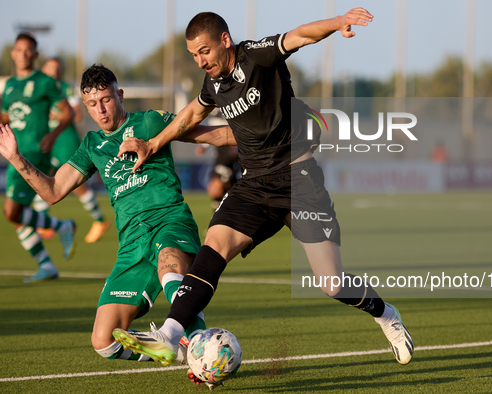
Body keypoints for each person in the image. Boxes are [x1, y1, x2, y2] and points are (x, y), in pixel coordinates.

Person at [113, 7, 414, 380]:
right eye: (193, 54)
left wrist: (337, 24)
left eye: (204, 50)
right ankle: (170, 335)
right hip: (253, 184)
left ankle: (386, 315)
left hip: (298, 181)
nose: (200, 60)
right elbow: (192, 113)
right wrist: (154, 142)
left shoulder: (258, 55)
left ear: (225, 40)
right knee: (214, 246)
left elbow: (300, 35)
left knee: (332, 284)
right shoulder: (214, 84)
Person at [0, 64, 234, 365]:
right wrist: (15, 157)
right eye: (93, 104)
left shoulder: (149, 121)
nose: (101, 110)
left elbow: (209, 135)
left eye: (107, 100)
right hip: (131, 244)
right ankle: (183, 352)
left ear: (120, 95)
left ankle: (202, 354)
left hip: (169, 221)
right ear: (85, 107)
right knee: (103, 340)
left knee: (169, 267)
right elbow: (53, 191)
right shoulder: (91, 146)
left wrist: (263, 138)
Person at [0, 33, 76, 283]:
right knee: (14, 214)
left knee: (11, 211)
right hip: (14, 152)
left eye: (28, 50)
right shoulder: (10, 85)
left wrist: (53, 136)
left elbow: (67, 113)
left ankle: (58, 229)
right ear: (12, 52)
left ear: (35, 54)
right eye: (18, 49)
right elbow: (7, 116)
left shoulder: (44, 82)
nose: (23, 54)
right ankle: (47, 262)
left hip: (33, 153)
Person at [32, 57, 110, 243]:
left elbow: (76, 113)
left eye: (57, 68)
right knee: (42, 177)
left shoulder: (64, 88)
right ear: (43, 69)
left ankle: (99, 220)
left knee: (76, 184)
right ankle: (43, 224)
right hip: (49, 140)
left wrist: (54, 113)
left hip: (65, 140)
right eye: (50, 67)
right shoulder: (41, 89)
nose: (54, 71)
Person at [195, 109, 240, 209]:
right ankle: (221, 216)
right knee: (220, 189)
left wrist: (236, 147)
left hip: (231, 153)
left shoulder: (233, 106)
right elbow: (212, 131)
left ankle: (221, 215)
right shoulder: (213, 110)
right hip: (220, 153)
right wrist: (204, 145)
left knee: (215, 188)